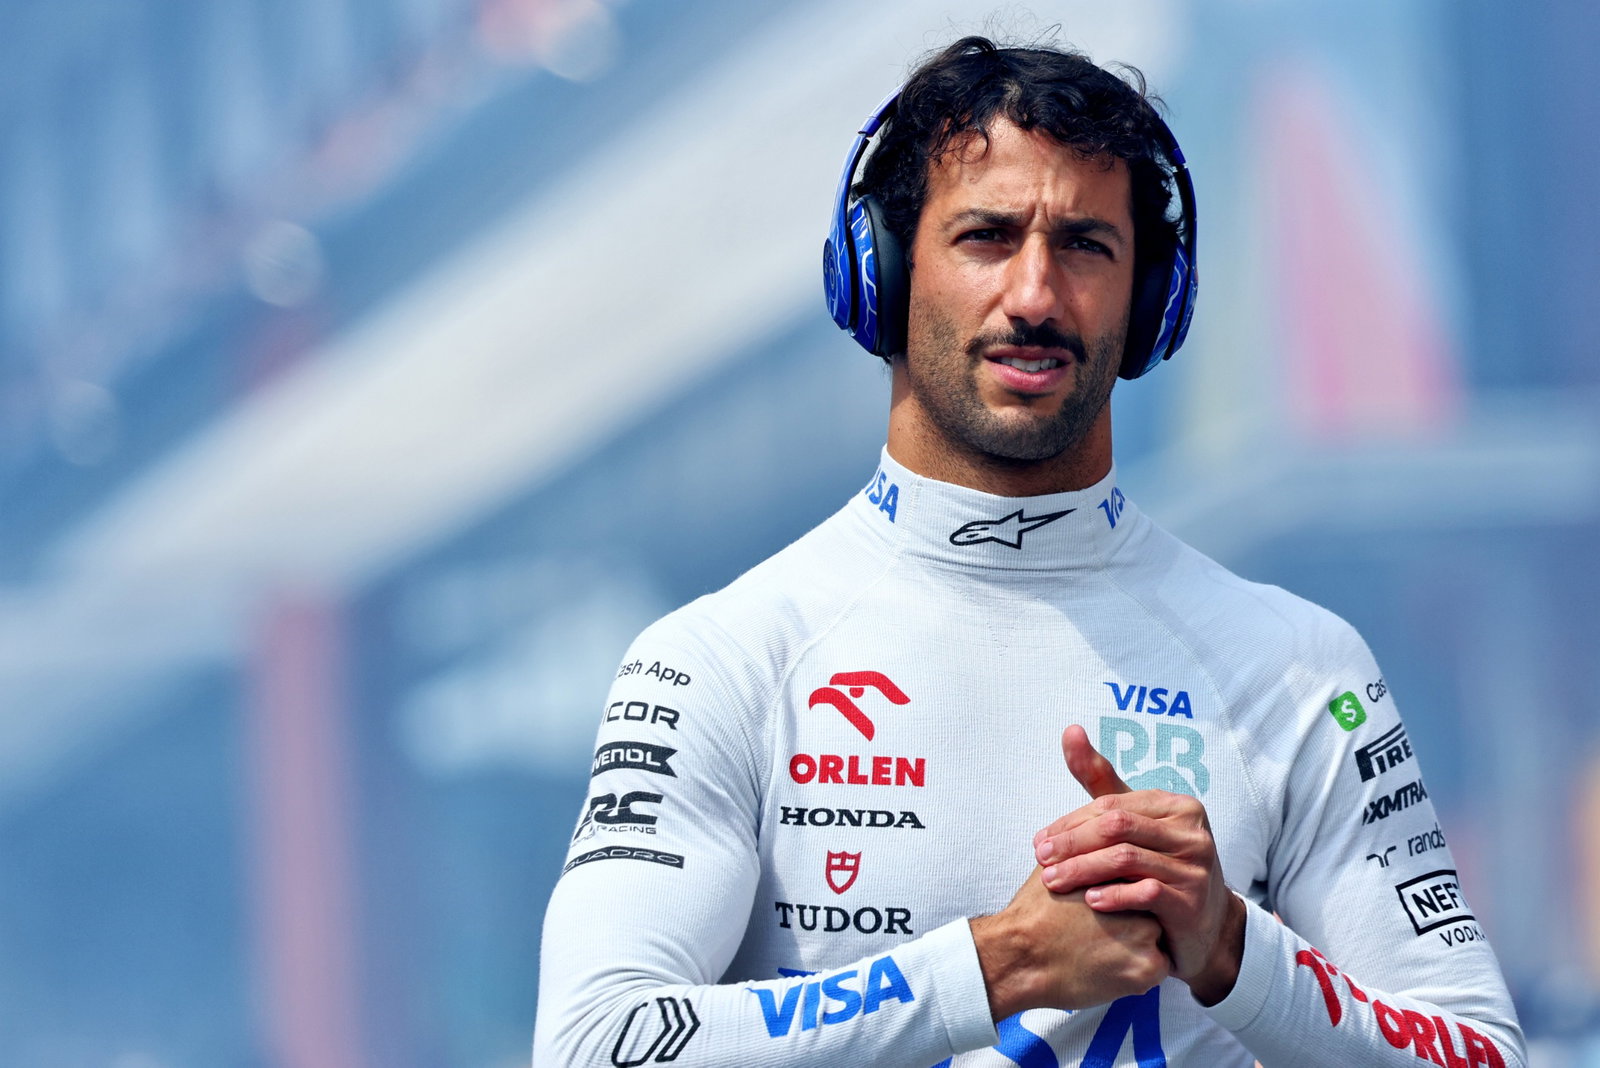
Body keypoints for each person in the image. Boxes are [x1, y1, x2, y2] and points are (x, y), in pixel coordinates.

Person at [533, 35, 1525, 1067]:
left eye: (1086, 245)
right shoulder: (718, 662)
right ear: (878, 273)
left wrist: (1235, 949)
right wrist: (999, 965)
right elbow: (594, 1045)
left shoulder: (1302, 667)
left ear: (1153, 301)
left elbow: (1484, 1054)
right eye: (987, 237)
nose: (1036, 297)